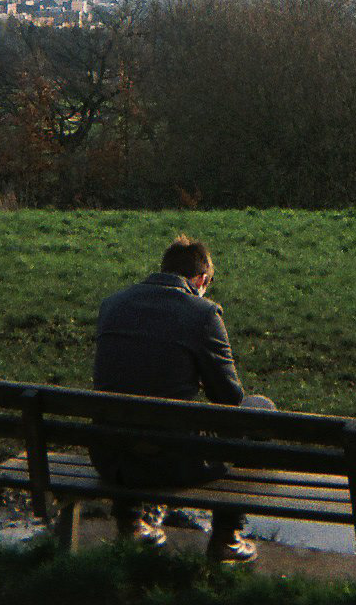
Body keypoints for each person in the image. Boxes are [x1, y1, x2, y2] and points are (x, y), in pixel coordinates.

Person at [92, 234, 268, 563]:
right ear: (201, 280)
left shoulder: (112, 304)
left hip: (111, 458)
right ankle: (227, 536)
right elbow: (230, 400)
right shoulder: (203, 313)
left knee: (130, 410)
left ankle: (131, 521)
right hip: (171, 463)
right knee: (260, 409)